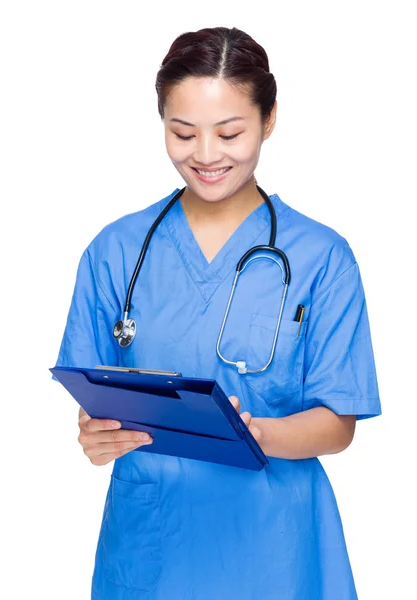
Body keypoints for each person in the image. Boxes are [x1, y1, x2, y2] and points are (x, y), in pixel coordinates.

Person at [54, 26, 381, 600]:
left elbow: (339, 423)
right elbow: (94, 402)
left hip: (274, 548)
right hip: (150, 549)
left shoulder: (321, 257)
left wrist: (253, 432)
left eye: (230, 132)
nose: (206, 155)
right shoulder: (115, 252)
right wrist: (95, 436)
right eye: (183, 133)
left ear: (269, 119)